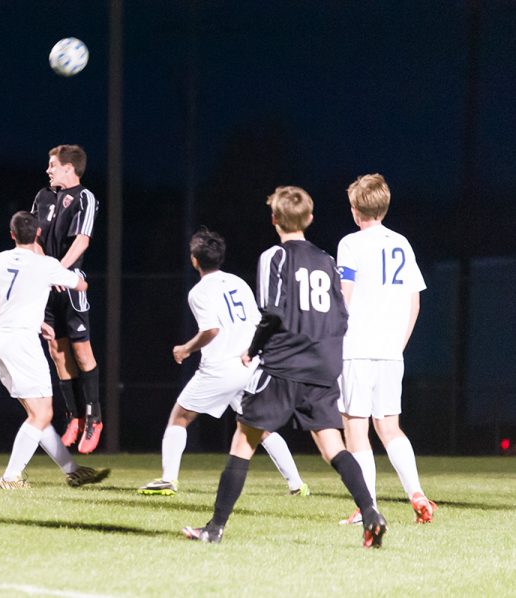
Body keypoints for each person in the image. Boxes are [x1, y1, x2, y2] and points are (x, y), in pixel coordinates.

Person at [182, 186, 387, 548]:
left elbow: (272, 311)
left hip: (284, 364)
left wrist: (254, 349)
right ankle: (371, 512)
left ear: (274, 219)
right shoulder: (326, 259)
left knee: (243, 442)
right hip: (322, 364)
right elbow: (341, 314)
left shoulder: (274, 256)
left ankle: (214, 528)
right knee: (332, 447)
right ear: (309, 219)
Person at [138, 228, 308, 497]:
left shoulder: (199, 292)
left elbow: (211, 331)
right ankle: (297, 484)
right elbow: (258, 322)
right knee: (259, 427)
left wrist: (185, 349)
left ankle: (168, 479)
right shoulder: (238, 282)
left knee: (179, 418)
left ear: (194, 259)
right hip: (248, 363)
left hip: (221, 369)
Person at [336, 174, 436, 525]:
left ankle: (369, 507)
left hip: (356, 348)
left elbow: (344, 296)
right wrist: (399, 345)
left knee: (357, 429)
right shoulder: (402, 243)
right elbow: (415, 303)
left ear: (354, 209)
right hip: (392, 351)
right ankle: (416, 493)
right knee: (390, 427)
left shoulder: (350, 243)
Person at [0, 211, 110, 489]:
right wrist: (67, 272)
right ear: (39, 234)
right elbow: (81, 284)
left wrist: (39, 320)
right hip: (23, 343)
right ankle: (10, 477)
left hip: (1, 342)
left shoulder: (0, 259)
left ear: (11, 235)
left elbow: (3, 299)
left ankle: (72, 469)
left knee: (37, 414)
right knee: (41, 414)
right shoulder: (45, 264)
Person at [30, 144, 103, 453]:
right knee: (57, 352)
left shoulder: (85, 197)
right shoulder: (42, 197)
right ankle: (73, 416)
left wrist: (59, 271)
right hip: (47, 287)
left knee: (81, 351)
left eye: (52, 165)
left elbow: (83, 240)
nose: (48, 170)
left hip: (71, 286)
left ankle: (94, 417)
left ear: (69, 169)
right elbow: (32, 239)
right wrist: (48, 271)